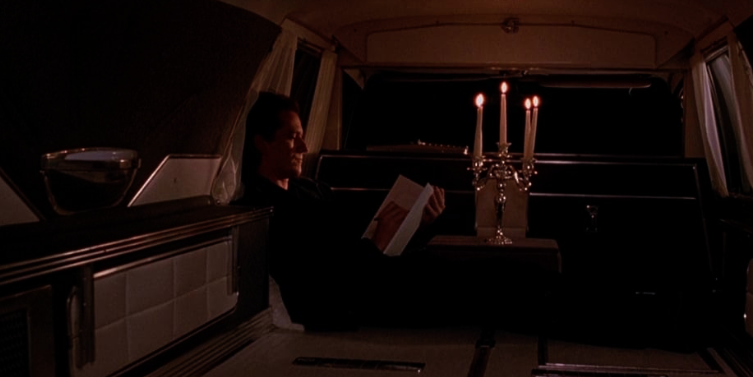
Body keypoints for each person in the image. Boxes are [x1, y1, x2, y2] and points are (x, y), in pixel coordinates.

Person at [234, 91, 556, 332]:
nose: (304, 148)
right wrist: (375, 245)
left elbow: (362, 243)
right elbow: (322, 281)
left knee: (497, 270)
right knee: (492, 285)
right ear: (262, 143)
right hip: (368, 296)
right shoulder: (262, 210)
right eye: (292, 138)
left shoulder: (312, 189)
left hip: (383, 272)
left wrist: (416, 225)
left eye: (302, 137)